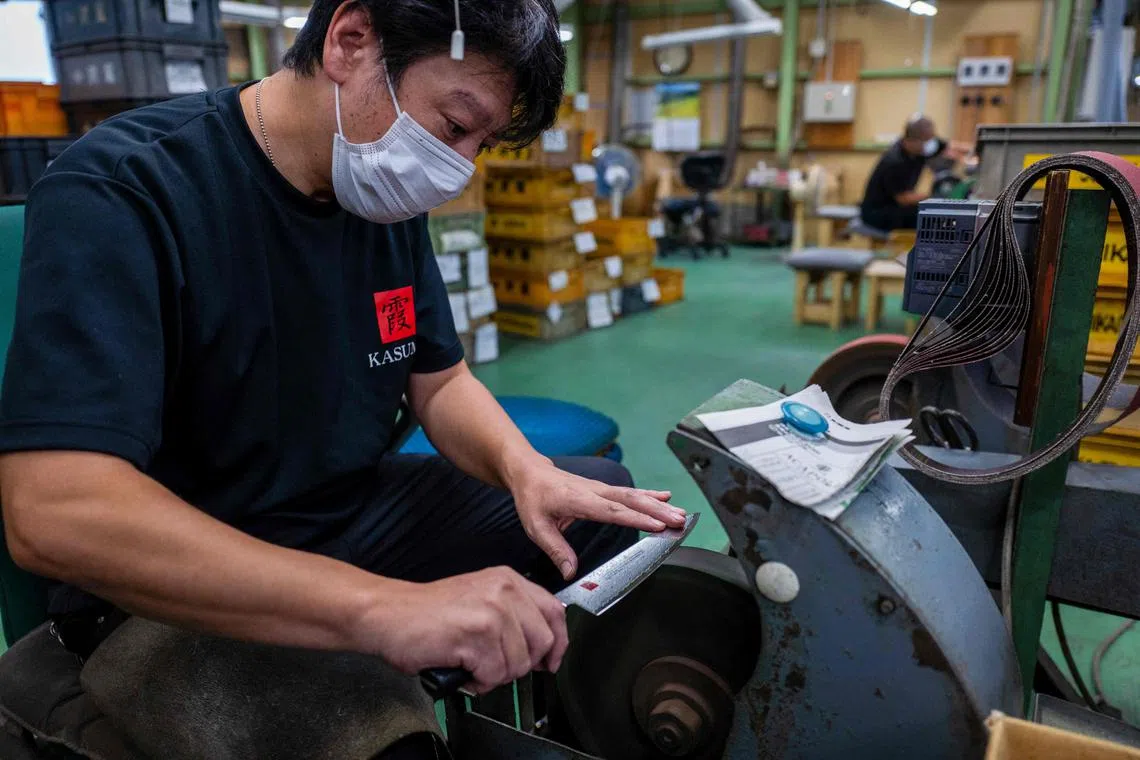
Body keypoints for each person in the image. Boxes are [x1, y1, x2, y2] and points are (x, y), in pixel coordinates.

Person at [0, 0, 686, 756]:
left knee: (601, 523)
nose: (455, 172)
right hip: (181, 581)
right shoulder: (128, 187)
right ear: (351, 41)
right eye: (455, 127)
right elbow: (55, 510)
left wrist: (526, 473)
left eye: (480, 146)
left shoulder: (377, 188)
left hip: (344, 513)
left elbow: (441, 381)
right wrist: (385, 611)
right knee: (385, 742)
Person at [860, 115, 952, 231]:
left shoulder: (919, 149)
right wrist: (937, 197)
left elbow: (947, 146)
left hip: (897, 206)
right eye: (927, 141)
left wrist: (971, 152)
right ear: (911, 141)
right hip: (879, 212)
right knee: (932, 220)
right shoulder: (894, 161)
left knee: (934, 214)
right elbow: (903, 198)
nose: (931, 144)